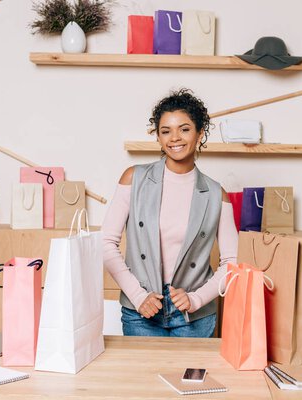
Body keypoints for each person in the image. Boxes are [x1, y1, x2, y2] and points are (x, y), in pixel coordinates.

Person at [102, 89, 238, 338]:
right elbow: (106, 243)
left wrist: (196, 299)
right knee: (141, 378)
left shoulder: (216, 194)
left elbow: (232, 263)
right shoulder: (134, 179)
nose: (175, 138)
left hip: (193, 317)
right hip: (141, 311)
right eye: (166, 131)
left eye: (184, 129)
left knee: (190, 378)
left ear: (199, 133)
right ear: (158, 137)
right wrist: (138, 295)